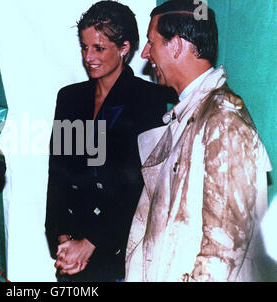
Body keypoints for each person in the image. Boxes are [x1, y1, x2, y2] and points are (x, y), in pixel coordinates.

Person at [125, 0, 272, 282]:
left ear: (176, 45)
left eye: (151, 42)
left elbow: (223, 249)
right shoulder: (192, 116)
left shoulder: (223, 121)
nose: (145, 53)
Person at [45, 1, 177, 282]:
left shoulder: (148, 99)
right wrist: (63, 239)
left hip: (117, 249)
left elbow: (137, 183)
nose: (88, 56)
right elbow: (58, 174)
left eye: (99, 48)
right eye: (84, 47)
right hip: (71, 250)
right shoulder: (70, 98)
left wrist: (90, 243)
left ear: (124, 48)